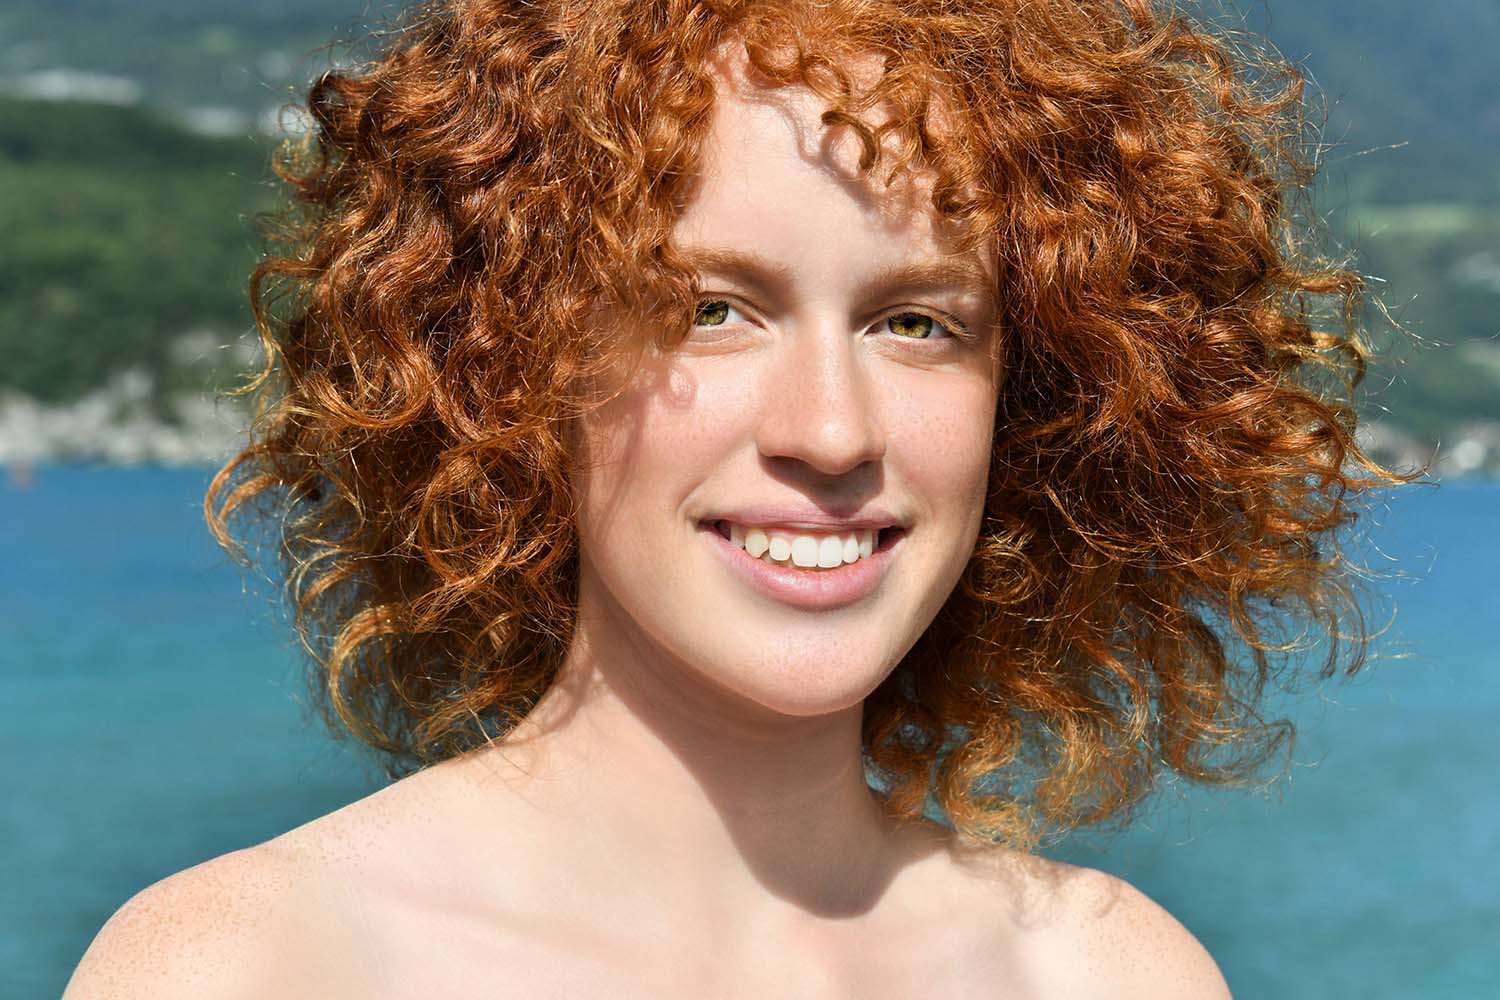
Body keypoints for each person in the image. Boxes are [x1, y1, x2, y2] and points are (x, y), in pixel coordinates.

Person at [64, 0, 1394, 995]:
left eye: (918, 324)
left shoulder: (1110, 978)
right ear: (510, 357)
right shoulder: (254, 968)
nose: (830, 429)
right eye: (710, 310)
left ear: (1036, 401)